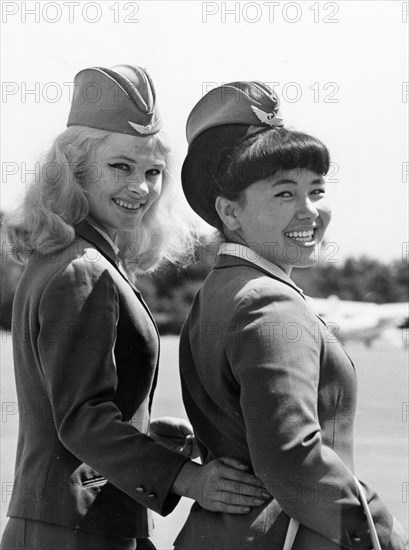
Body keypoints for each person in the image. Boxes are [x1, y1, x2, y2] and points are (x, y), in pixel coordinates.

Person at [0, 67, 270, 550]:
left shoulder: (70, 258)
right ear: (75, 170)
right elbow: (82, 418)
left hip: (64, 524)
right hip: (79, 532)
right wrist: (190, 479)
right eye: (120, 167)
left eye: (152, 172)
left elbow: (67, 405)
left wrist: (147, 432)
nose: (141, 188)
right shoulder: (82, 270)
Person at [175, 81, 409, 549]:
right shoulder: (268, 301)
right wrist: (381, 537)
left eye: (316, 191)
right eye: (284, 194)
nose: (310, 213)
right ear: (230, 212)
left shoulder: (222, 288)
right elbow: (294, 460)